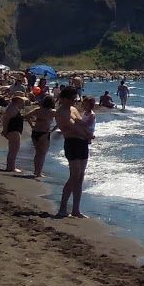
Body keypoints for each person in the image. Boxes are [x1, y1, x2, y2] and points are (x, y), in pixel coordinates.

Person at [55, 90, 96, 218]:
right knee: (74, 175)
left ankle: (76, 210)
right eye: (72, 98)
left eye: (75, 98)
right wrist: (88, 135)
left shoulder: (73, 109)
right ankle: (62, 208)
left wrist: (87, 135)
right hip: (72, 143)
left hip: (83, 143)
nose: (74, 100)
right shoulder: (61, 112)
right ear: (64, 98)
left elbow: (81, 123)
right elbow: (73, 127)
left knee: (80, 177)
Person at [27, 94, 57, 178]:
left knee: (37, 153)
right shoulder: (53, 112)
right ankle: (39, 172)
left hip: (35, 132)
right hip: (44, 133)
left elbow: (27, 116)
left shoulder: (38, 110)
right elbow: (61, 121)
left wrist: (32, 125)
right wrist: (53, 130)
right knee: (42, 153)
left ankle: (36, 171)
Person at [0, 95, 27, 173]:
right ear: (18, 100)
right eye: (22, 101)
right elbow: (5, 119)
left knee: (13, 149)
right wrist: (5, 130)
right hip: (13, 130)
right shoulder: (12, 108)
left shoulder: (14, 107)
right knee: (14, 149)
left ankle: (10, 166)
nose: (23, 102)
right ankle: (11, 167)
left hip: (14, 130)